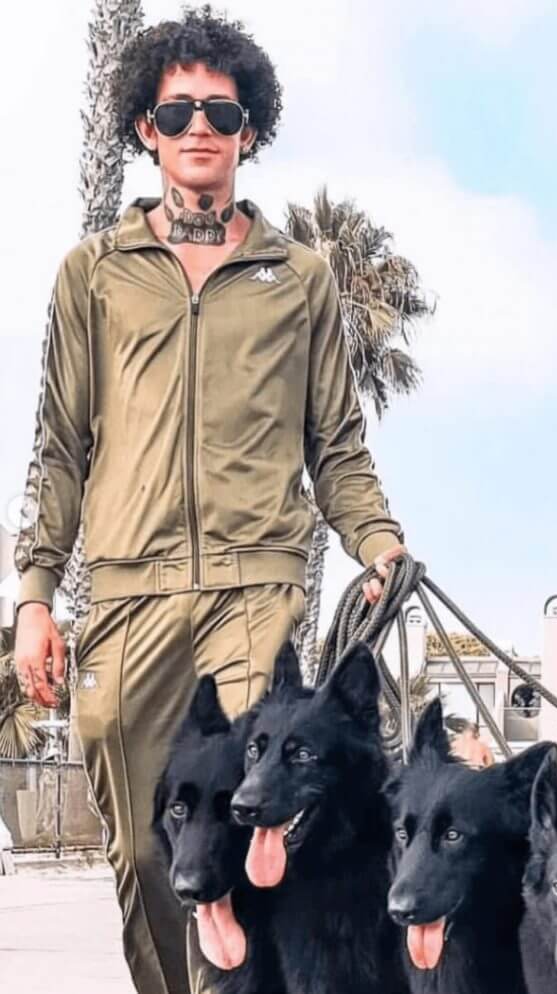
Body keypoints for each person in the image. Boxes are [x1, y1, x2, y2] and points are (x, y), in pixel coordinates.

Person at [12, 10, 405, 994]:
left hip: (254, 593)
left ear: (249, 131)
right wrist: (34, 596)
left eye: (221, 113)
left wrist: (379, 541)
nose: (200, 128)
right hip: (127, 595)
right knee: (153, 845)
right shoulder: (94, 276)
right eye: (178, 110)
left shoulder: (298, 280)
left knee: (249, 818)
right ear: (146, 127)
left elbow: (336, 446)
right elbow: (59, 446)